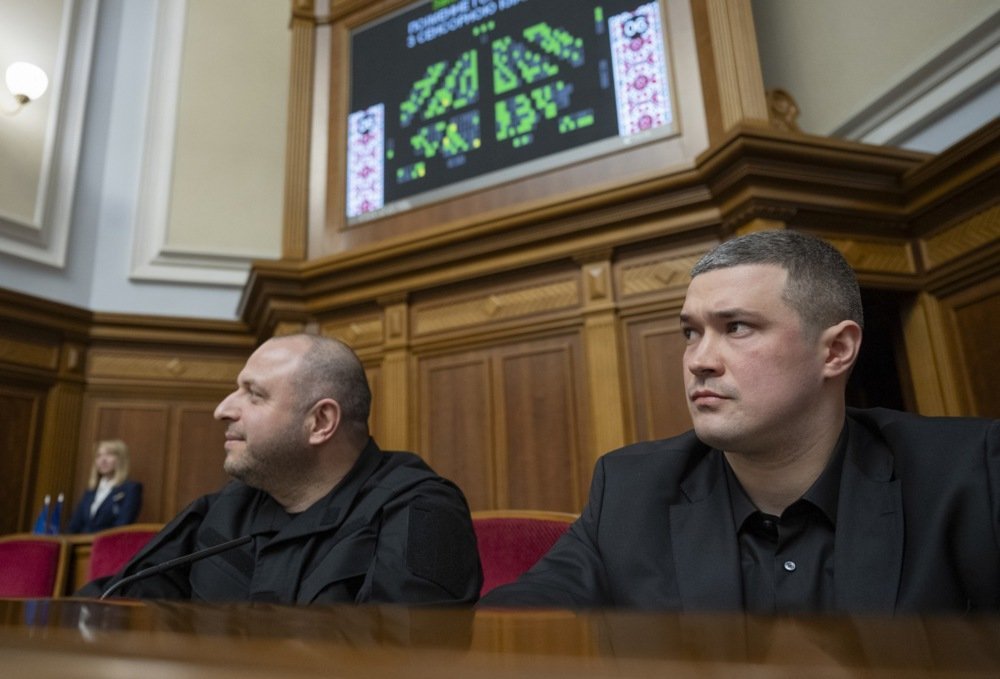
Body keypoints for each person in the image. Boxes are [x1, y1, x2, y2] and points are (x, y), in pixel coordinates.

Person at [480, 230, 999, 614]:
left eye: (737, 328)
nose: (699, 360)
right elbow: (515, 622)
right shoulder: (631, 488)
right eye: (690, 332)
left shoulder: (969, 474)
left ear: (836, 350)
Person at [80, 333, 482, 604]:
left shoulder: (422, 509)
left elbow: (403, 657)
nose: (222, 409)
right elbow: (116, 602)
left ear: (320, 422)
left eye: (253, 395)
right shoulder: (224, 508)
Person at [68, 439, 143, 533]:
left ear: (121, 459)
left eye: (109, 454)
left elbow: (122, 525)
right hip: (82, 541)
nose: (103, 460)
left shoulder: (131, 489)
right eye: (98, 456)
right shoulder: (90, 492)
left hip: (109, 541)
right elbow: (73, 526)